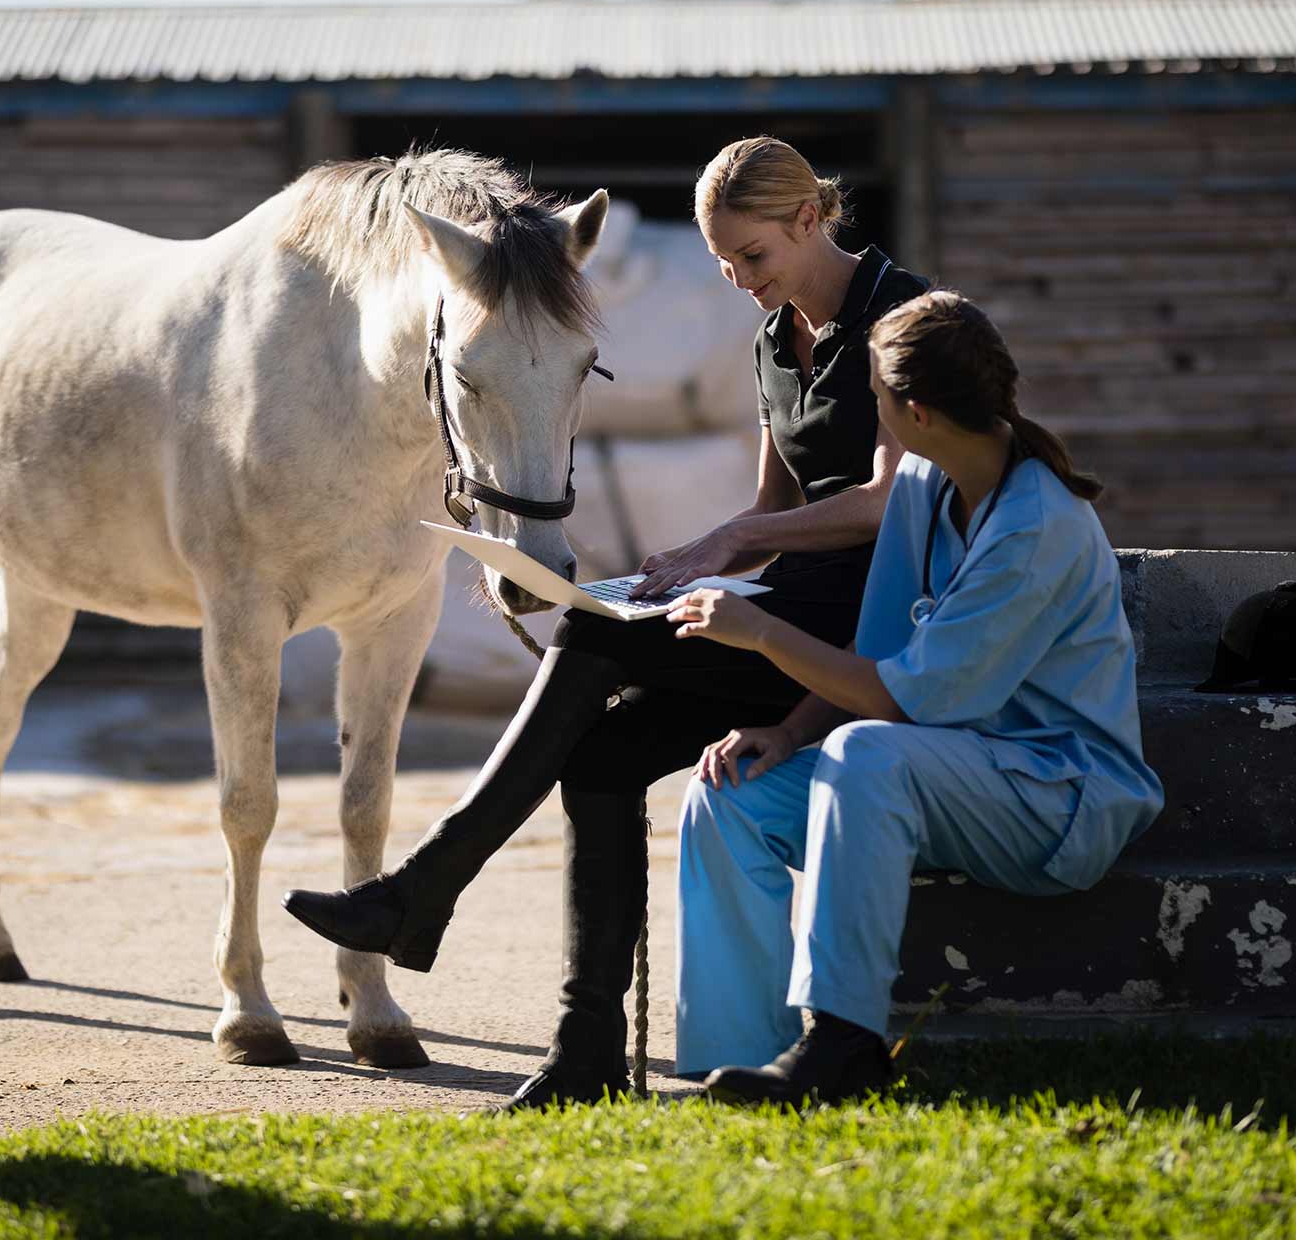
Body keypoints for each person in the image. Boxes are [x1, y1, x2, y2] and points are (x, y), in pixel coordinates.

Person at [283, 136, 928, 1109]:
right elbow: (768, 514)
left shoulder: (900, 316)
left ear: (809, 219)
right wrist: (675, 572)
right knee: (600, 752)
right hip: (786, 611)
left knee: (584, 639)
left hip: (864, 635)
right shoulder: (768, 341)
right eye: (720, 263)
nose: (739, 281)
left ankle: (427, 884)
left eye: (751, 256)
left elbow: (889, 500)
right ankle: (583, 1052)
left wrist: (732, 536)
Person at [665, 289, 1164, 1105]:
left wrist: (758, 631)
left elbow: (904, 701)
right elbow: (879, 649)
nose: (871, 407)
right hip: (945, 775)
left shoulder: (1036, 526)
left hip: (1058, 796)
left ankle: (843, 1046)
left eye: (876, 391)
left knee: (869, 751)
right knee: (728, 794)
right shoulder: (926, 481)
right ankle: (744, 1057)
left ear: (918, 411)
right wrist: (788, 736)